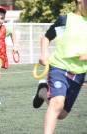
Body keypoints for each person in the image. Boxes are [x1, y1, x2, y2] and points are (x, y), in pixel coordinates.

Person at [33, 0, 87, 133]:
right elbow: (47, 37)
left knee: (62, 114)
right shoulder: (65, 20)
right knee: (57, 102)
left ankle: (42, 91)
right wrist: (44, 54)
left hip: (79, 74)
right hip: (59, 67)